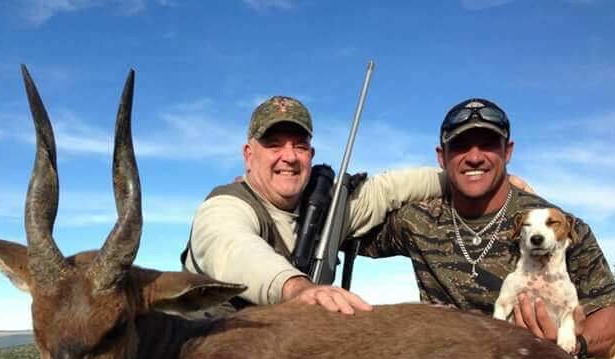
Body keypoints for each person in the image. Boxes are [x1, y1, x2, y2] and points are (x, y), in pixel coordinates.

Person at [359, 97, 615, 359]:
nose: (474, 156)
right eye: (460, 146)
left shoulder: (557, 224)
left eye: (487, 143)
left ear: (508, 150)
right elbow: (348, 230)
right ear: (441, 157)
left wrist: (571, 346)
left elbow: (611, 316)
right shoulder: (415, 221)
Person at [183, 95, 532, 316]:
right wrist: (299, 289)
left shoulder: (325, 209)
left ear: (311, 155)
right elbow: (234, 250)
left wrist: (472, 178)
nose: (288, 157)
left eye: (299, 146)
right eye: (274, 145)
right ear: (249, 154)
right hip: (212, 343)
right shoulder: (224, 207)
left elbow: (388, 189)